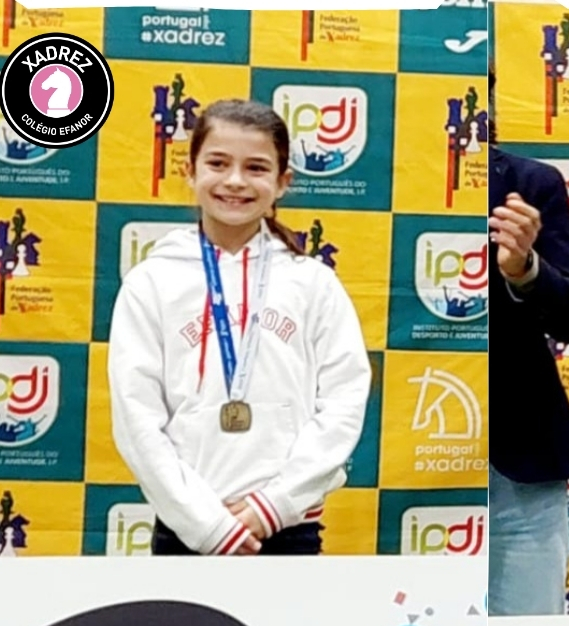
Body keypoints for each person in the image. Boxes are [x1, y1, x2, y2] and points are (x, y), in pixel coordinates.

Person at [108, 100, 371, 555]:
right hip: (188, 531)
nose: (234, 181)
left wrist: (274, 505)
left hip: (287, 525)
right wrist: (206, 524)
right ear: (189, 171)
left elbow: (344, 401)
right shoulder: (151, 282)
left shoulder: (313, 283)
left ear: (283, 182)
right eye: (217, 163)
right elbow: (136, 417)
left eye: (256, 168)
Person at [488, 66, 569, 615]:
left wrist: (526, 269)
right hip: (404, 457)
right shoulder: (397, 177)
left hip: (518, 457)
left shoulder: (529, 184)